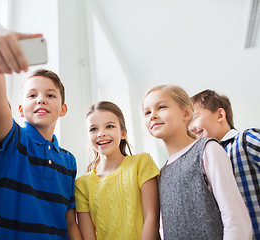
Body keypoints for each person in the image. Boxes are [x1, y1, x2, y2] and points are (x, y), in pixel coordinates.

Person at [0, 27, 81, 239]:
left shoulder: (69, 160)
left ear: (63, 109)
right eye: (32, 95)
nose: (40, 99)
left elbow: (70, 221)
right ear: (20, 110)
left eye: (50, 95)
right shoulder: (13, 140)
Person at [142, 85, 252, 239]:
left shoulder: (208, 149)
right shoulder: (162, 172)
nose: (152, 116)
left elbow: (236, 219)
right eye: (147, 112)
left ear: (186, 113)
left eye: (161, 107)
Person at [75, 101, 160, 240]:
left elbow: (152, 217)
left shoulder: (141, 163)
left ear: (123, 133)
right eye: (93, 129)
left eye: (109, 126)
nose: (101, 134)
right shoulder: (82, 185)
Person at [189, 89, 260, 239]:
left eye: (194, 117)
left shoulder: (245, 139)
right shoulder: (205, 162)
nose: (190, 128)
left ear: (220, 115)